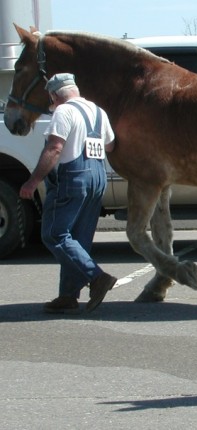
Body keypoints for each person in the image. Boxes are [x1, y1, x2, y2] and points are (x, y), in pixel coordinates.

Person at [19, 73, 117, 314]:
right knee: (78, 239)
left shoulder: (63, 112)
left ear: (54, 95)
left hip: (72, 179)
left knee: (55, 234)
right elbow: (110, 145)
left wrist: (32, 182)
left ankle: (96, 277)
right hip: (97, 177)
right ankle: (68, 295)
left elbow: (55, 148)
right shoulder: (98, 112)